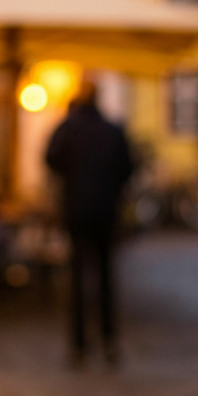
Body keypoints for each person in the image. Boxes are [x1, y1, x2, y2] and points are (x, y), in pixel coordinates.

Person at [46, 80, 135, 366]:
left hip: (76, 211)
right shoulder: (112, 130)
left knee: (77, 278)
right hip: (106, 211)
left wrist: (71, 180)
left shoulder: (67, 129)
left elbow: (50, 159)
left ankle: (79, 344)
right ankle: (108, 340)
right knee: (106, 277)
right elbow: (128, 167)